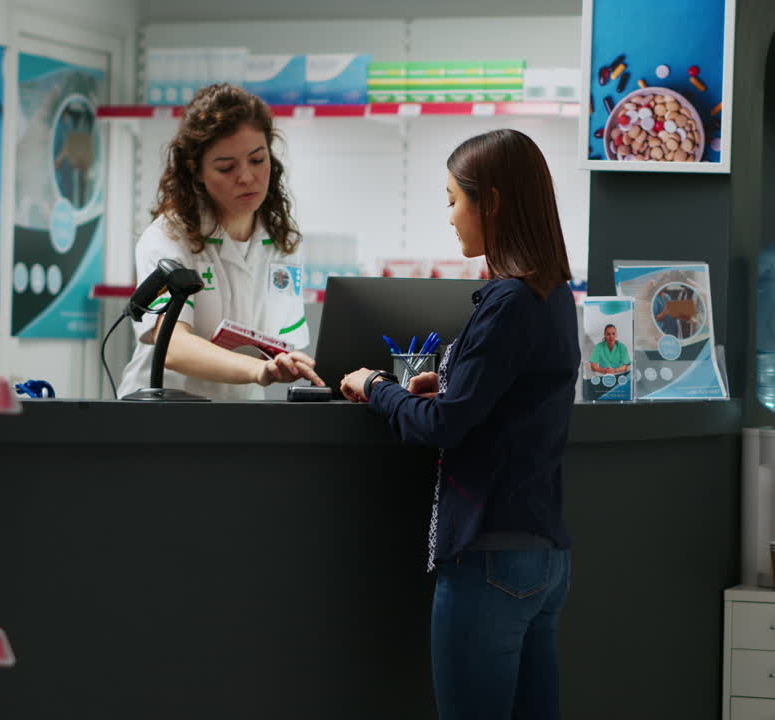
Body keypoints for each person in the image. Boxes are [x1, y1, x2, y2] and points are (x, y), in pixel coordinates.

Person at [339, 129, 578, 720]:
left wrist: (376, 386)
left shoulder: (507, 302)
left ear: (490, 202)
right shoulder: (552, 295)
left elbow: (443, 427)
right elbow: (505, 401)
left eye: (453, 200)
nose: (449, 217)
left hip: (489, 558)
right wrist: (449, 385)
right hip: (544, 557)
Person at [117, 84, 323, 400]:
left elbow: (280, 343)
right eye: (226, 167)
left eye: (258, 159)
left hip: (238, 411)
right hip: (165, 410)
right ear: (196, 171)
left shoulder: (282, 239)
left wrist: (284, 363)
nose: (246, 177)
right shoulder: (168, 237)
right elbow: (171, 345)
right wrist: (258, 370)